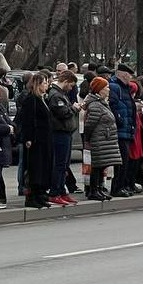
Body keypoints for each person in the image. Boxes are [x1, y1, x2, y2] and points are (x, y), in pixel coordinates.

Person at [82, 77, 122, 201]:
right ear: (99, 90)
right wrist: (88, 139)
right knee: (97, 166)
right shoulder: (95, 105)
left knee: (101, 166)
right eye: (106, 88)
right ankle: (94, 190)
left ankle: (98, 189)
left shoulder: (101, 103)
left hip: (105, 139)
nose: (109, 90)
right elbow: (90, 124)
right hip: (99, 140)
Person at [18, 72, 54, 208]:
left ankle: (40, 194)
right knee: (35, 168)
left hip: (45, 139)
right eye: (44, 83)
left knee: (43, 167)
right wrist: (28, 138)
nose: (47, 85)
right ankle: (32, 196)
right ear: (38, 84)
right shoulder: (31, 99)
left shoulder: (42, 99)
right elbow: (28, 120)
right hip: (36, 140)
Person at [45, 72, 78, 206]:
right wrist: (74, 108)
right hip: (59, 133)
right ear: (65, 81)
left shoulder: (61, 95)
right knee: (59, 164)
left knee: (64, 165)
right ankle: (55, 192)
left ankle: (61, 190)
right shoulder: (55, 95)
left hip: (66, 133)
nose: (71, 88)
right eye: (71, 85)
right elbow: (62, 112)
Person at [108, 65, 137, 197]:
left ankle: (121, 186)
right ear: (124, 74)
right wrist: (120, 120)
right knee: (121, 161)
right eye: (129, 75)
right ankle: (117, 187)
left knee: (124, 161)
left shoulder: (123, 87)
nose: (131, 78)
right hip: (120, 130)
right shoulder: (115, 87)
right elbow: (113, 106)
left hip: (126, 129)